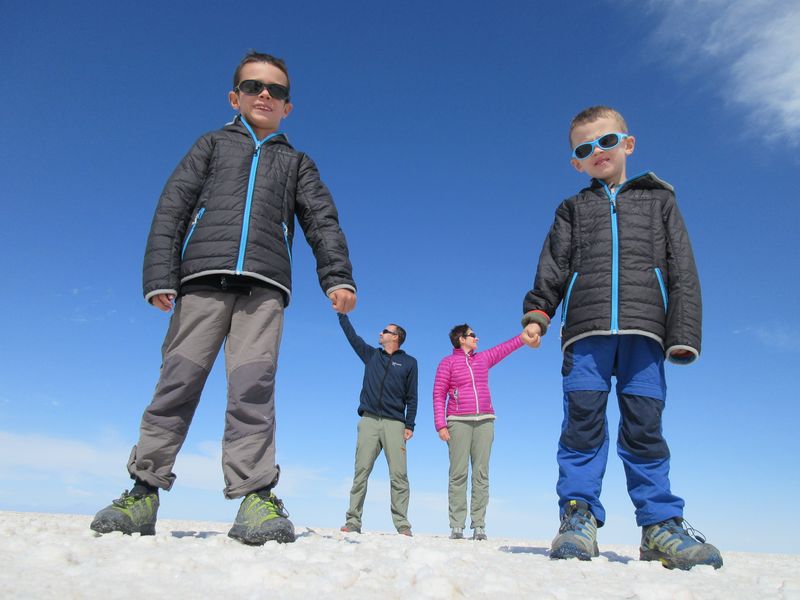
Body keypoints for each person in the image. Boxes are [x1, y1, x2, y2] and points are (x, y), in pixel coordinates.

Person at [90, 51, 357, 545]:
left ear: (288, 107)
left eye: (276, 90)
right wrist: (161, 275)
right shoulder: (211, 145)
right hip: (201, 282)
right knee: (177, 382)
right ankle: (143, 490)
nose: (265, 95)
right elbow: (173, 207)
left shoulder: (297, 163)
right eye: (254, 86)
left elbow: (322, 223)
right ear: (235, 98)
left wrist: (337, 277)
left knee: (253, 390)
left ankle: (255, 497)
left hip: (264, 289)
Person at [520, 105, 722, 570]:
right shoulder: (572, 209)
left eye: (607, 141)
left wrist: (682, 333)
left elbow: (682, 271)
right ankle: (578, 516)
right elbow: (552, 267)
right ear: (576, 163)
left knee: (645, 428)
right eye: (585, 148)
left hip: (644, 335)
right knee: (582, 424)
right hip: (585, 335)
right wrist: (538, 313)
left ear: (628, 144)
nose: (598, 151)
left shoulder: (660, 202)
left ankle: (659, 525)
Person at [432, 324, 533, 541]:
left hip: (485, 421)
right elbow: (438, 394)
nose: (476, 338)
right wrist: (440, 424)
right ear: (461, 339)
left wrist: (522, 338)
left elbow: (503, 349)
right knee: (458, 474)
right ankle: (457, 525)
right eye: (472, 335)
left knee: (481, 474)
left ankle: (479, 525)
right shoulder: (447, 363)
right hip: (458, 421)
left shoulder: (482, 359)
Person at [337, 314, 418, 536]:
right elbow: (352, 337)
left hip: (395, 424)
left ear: (396, 337)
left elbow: (412, 397)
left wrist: (409, 424)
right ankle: (353, 521)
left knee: (399, 475)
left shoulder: (410, 363)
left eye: (385, 331)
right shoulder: (372, 356)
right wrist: (342, 315)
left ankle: (402, 524)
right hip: (369, 421)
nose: (380, 333)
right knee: (361, 472)